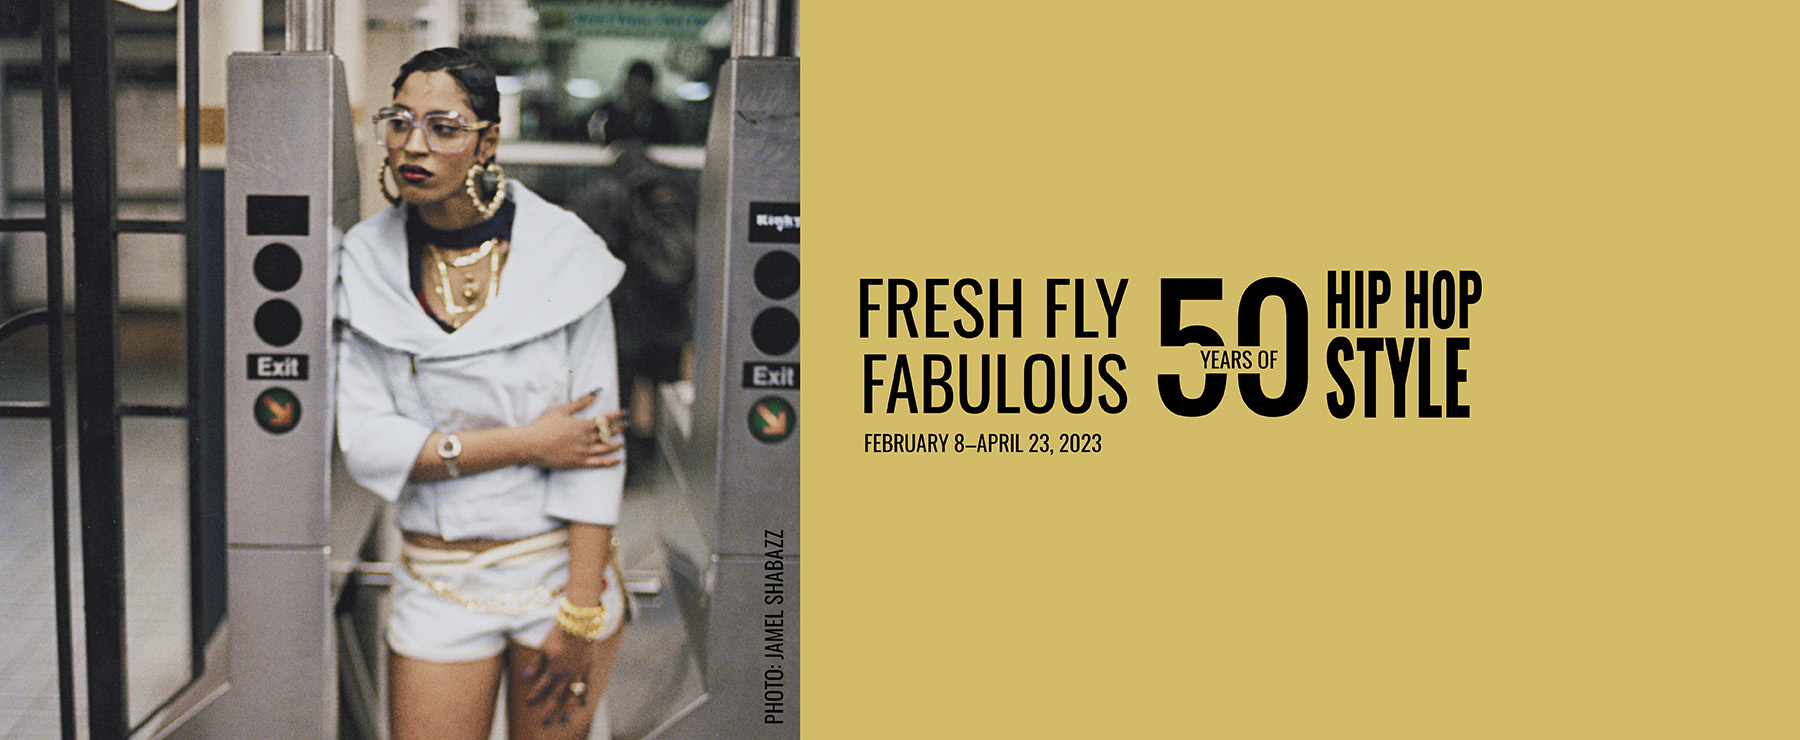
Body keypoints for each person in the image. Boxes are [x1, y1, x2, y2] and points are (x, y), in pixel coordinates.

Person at [336, 47, 629, 740]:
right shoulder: (365, 260)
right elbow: (370, 441)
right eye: (400, 121)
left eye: (444, 127)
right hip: (438, 578)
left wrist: (580, 617)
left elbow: (595, 450)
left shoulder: (566, 255)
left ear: (487, 141)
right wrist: (531, 443)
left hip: (558, 575)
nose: (414, 144)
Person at [585, 60, 681, 145]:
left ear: (650, 89)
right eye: (633, 88)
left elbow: (671, 145)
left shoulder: (662, 116)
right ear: (625, 85)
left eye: (640, 92)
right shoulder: (605, 112)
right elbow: (591, 142)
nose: (636, 96)